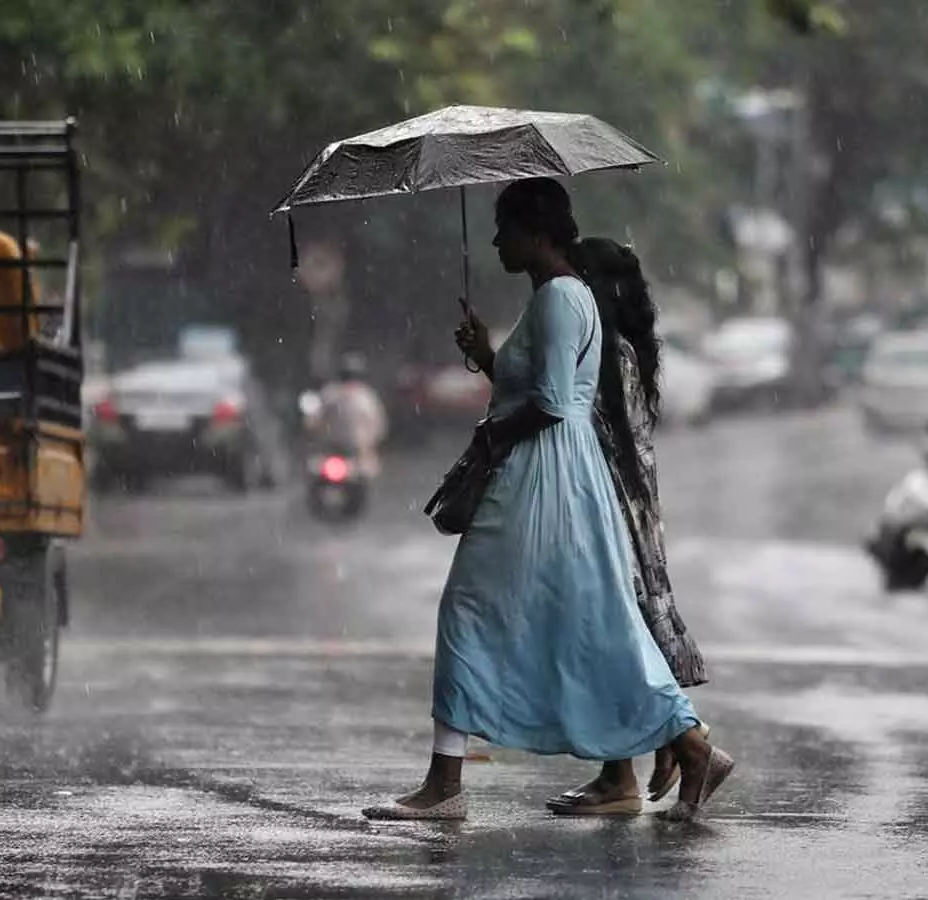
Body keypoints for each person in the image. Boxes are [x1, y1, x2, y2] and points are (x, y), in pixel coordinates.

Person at [362, 178, 734, 822]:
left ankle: (445, 786)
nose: (497, 241)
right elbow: (535, 383)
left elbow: (556, 403)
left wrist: (490, 439)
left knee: (471, 609)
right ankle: (691, 743)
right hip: (555, 474)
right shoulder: (560, 297)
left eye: (505, 228)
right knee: (591, 621)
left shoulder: (562, 298)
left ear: (537, 232)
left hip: (542, 479)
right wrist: (489, 357)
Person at [545, 237, 712, 814]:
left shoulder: (603, 351)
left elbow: (564, 415)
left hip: (606, 509)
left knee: (611, 636)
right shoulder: (629, 349)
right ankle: (646, 757)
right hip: (630, 508)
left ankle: (671, 749)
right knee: (615, 635)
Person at [310, 352, 388, 477]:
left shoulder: (330, 393)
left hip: (349, 452)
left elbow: (313, 421)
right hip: (340, 451)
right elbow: (379, 426)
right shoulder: (367, 397)